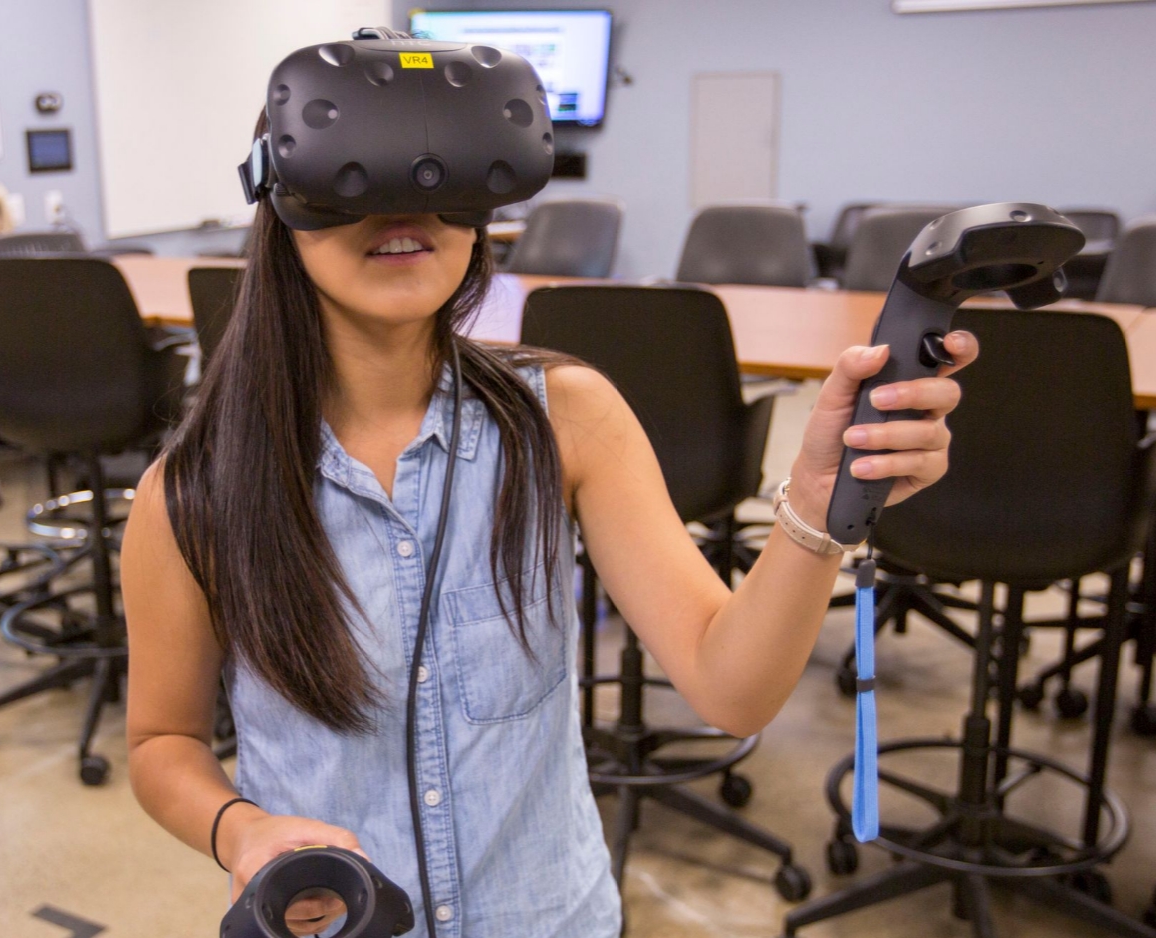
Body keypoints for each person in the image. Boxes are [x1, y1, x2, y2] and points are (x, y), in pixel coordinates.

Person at [121, 163, 974, 938]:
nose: (403, 208)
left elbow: (733, 687)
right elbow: (163, 741)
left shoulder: (564, 419)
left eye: (437, 172)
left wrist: (817, 510)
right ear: (282, 200)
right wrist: (243, 829)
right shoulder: (195, 492)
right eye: (353, 180)